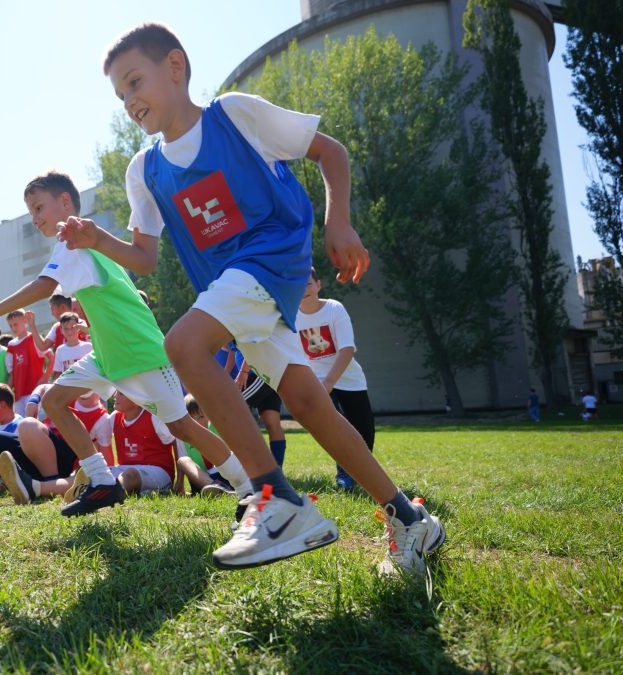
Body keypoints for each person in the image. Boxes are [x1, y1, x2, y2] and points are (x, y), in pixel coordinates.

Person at [57, 24, 443, 574]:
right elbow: (145, 257)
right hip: (235, 289)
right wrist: (98, 239)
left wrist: (339, 224)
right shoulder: (144, 170)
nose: (129, 101)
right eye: (119, 95)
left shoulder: (234, 115)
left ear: (175, 67)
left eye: (135, 82)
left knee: (184, 346)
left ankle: (275, 498)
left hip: (272, 259)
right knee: (309, 404)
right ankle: (409, 517)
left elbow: (329, 153)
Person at [0, 171, 253, 521]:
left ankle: (249, 487)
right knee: (54, 400)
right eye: (30, 211)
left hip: (140, 352)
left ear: (65, 202)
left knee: (182, 426)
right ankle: (102, 481)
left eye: (38, 207)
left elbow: (45, 284)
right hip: (108, 355)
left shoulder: (76, 237)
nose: (34, 218)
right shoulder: (74, 242)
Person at [296, 268, 375, 491]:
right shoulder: (290, 317)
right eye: (298, 285)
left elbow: (347, 349)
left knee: (364, 430)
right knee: (337, 428)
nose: (304, 290)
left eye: (308, 284)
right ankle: (344, 473)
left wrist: (329, 382)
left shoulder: (334, 308)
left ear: (318, 284)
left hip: (348, 379)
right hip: (317, 382)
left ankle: (365, 473)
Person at [220, 344, 288, 468]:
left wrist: (243, 370)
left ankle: (239, 469)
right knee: (271, 421)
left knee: (228, 410)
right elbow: (231, 348)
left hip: (258, 374)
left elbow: (253, 343)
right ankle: (276, 471)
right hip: (260, 373)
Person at [5, 310, 52, 415]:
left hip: (35, 391)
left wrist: (45, 377)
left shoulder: (34, 337)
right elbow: (12, 373)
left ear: (25, 321)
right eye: (10, 325)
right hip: (19, 394)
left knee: (35, 423)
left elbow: (52, 357)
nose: (13, 328)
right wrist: (5, 391)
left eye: (15, 324)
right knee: (20, 425)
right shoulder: (11, 345)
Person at [52, 312, 92, 379]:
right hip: (68, 388)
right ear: (61, 330)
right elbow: (58, 374)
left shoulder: (88, 347)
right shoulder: (60, 350)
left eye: (72, 327)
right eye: (66, 328)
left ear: (78, 328)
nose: (69, 331)